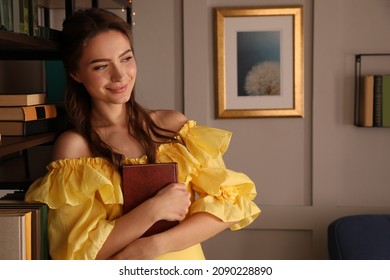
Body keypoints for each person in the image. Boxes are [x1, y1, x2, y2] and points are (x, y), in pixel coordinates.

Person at [25, 8, 261, 260]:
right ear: (76, 73)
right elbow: (75, 254)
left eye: (126, 59)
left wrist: (154, 245)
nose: (119, 75)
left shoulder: (173, 126)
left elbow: (230, 204)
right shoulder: (75, 147)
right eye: (101, 66)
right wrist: (153, 210)